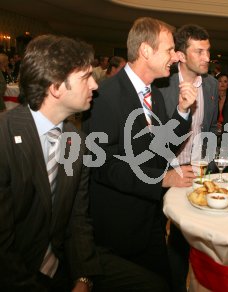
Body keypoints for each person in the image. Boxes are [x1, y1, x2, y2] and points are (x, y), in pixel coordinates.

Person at [0, 34, 169, 291]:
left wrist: (83, 277)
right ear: (56, 87)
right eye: (85, 77)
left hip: (64, 262)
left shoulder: (74, 140)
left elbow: (77, 219)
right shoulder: (5, 138)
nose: (95, 86)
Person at [85, 17, 197, 290]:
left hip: (150, 223)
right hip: (117, 229)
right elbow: (102, 165)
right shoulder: (105, 95)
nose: (176, 56)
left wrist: (182, 112)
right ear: (146, 51)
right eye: (170, 49)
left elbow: (160, 150)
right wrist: (161, 179)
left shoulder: (155, 94)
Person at [155, 23, 218, 292]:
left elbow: (211, 127)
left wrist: (207, 161)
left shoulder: (212, 85)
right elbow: (154, 134)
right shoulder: (161, 85)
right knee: (163, 237)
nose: (207, 57)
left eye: (208, 51)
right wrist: (171, 170)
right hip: (166, 173)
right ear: (180, 55)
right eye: (199, 51)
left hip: (199, 172)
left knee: (195, 237)